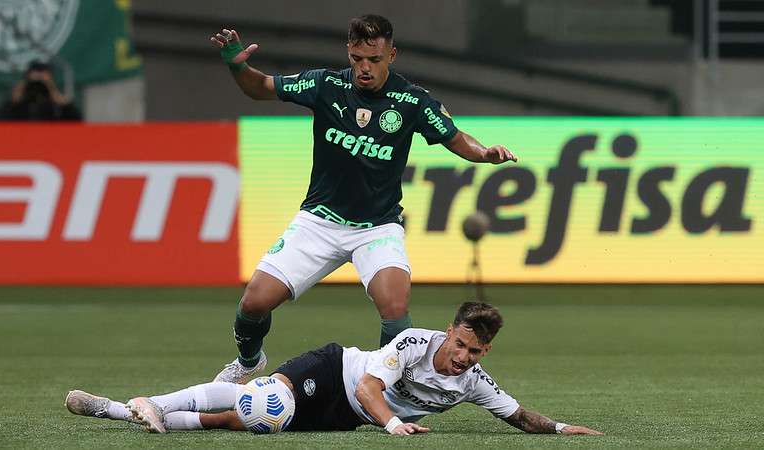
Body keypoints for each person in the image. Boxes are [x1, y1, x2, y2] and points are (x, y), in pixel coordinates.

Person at [207, 14, 519, 385]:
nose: (364, 68)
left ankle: (388, 383)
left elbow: (453, 136)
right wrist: (236, 64)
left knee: (395, 305)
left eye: (374, 59)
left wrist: (485, 153)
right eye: (357, 59)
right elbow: (259, 87)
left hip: (377, 227)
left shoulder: (411, 100)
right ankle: (248, 361)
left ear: (392, 55)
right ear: (349, 52)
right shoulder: (325, 84)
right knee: (253, 304)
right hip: (319, 220)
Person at [65, 302, 601, 436]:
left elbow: (517, 415)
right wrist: (393, 424)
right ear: (451, 331)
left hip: (344, 416)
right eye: (462, 345)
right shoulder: (415, 342)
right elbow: (370, 386)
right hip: (336, 370)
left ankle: (113, 410)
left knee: (241, 421)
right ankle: (157, 401)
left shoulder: (475, 383)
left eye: (476, 353)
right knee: (264, 400)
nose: (463, 357)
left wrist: (558, 428)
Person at [0, 60, 82, 122]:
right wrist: (14, 101)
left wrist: (54, 92)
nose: (38, 87)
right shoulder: (18, 105)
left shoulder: (56, 107)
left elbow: (77, 123)